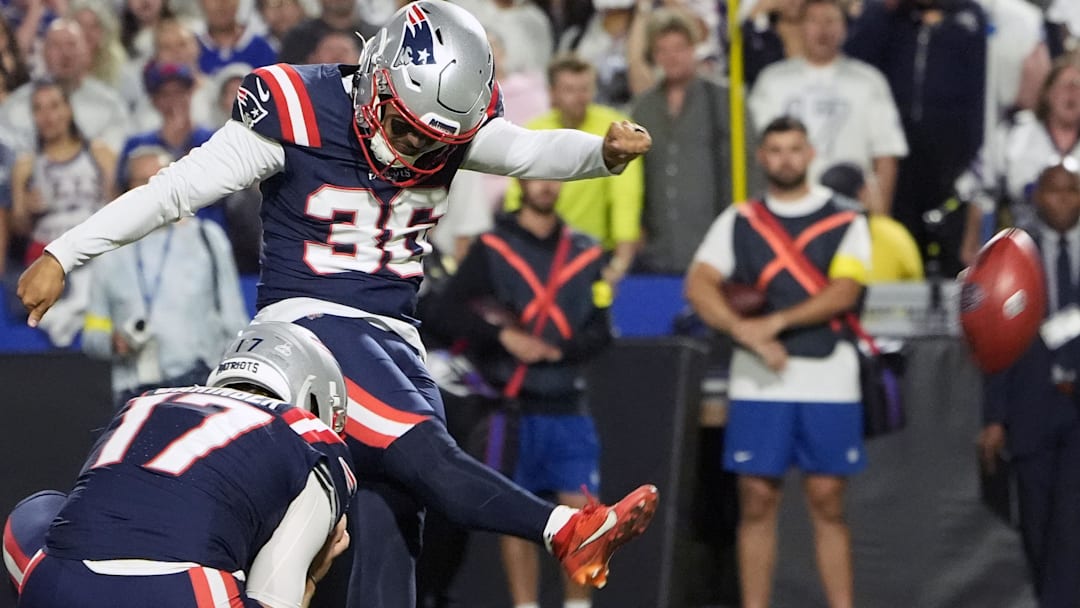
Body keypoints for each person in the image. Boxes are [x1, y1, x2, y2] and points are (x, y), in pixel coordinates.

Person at [15, 3, 658, 608]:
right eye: (406, 128)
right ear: (378, 79)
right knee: (425, 452)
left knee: (397, 521)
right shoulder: (296, 108)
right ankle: (566, 529)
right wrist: (65, 252)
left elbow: (525, 150)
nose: (417, 150)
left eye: (435, 140)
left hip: (395, 342)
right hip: (306, 333)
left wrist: (600, 154)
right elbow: (173, 190)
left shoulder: (441, 125)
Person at [3, 321, 357, 608]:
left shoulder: (144, 401)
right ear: (314, 397)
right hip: (184, 590)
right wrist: (309, 581)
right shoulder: (312, 437)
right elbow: (274, 596)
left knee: (42, 508)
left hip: (57, 585)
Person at [684, 116, 870, 608]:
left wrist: (775, 323)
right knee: (757, 499)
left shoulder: (847, 218)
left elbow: (845, 292)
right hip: (758, 379)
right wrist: (743, 328)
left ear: (810, 155)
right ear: (763, 157)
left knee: (828, 500)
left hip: (829, 376)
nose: (786, 158)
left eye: (795, 149)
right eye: (776, 149)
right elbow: (699, 283)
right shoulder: (739, 220)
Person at [426, 178, 613, 608]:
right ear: (520, 182)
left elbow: (602, 329)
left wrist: (559, 349)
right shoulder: (492, 248)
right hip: (509, 406)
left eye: (554, 177)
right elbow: (446, 311)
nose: (545, 185)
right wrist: (503, 337)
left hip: (568, 403)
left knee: (586, 516)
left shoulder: (586, 250)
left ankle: (577, 605)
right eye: (536, 176)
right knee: (522, 519)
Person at [979, 162, 1080, 608]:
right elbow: (996, 338)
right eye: (1053, 192)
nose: (1062, 201)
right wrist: (994, 416)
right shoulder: (1011, 254)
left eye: (1072, 191)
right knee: (1037, 519)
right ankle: (1049, 597)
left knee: (1072, 520)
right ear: (1037, 197)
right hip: (1032, 403)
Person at [82, 145, 249, 406]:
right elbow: (92, 333)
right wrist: (112, 342)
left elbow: (234, 319)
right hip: (135, 390)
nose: (152, 191)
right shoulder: (109, 252)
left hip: (201, 384)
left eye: (159, 180)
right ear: (127, 189)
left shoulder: (207, 238)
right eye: (141, 182)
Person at [749, 0, 908, 215]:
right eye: (813, 21)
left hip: (851, 209)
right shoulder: (773, 80)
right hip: (788, 207)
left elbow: (886, 154)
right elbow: (755, 151)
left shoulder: (868, 81)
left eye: (830, 21)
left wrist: (881, 217)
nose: (822, 30)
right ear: (800, 27)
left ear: (844, 28)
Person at [503, 54, 643, 285]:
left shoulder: (615, 129)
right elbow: (516, 198)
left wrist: (620, 264)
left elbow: (626, 200)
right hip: (536, 252)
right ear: (552, 93)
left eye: (585, 88)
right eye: (569, 89)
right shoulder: (534, 130)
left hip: (595, 256)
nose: (579, 97)